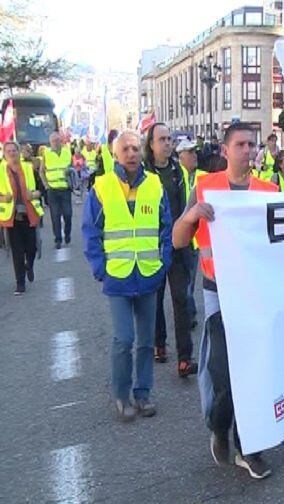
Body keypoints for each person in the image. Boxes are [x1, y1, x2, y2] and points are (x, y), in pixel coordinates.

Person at [172, 123, 277, 479]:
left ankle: (250, 448)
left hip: (258, 293)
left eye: (252, 144)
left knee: (256, 369)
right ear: (225, 149)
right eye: (241, 144)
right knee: (225, 371)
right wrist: (191, 216)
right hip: (218, 292)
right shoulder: (206, 188)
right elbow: (177, 240)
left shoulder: (269, 191)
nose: (248, 150)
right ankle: (219, 426)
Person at [82, 130, 172, 421]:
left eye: (135, 148)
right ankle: (121, 396)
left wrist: (164, 263)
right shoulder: (102, 187)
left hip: (148, 274)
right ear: (115, 154)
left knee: (146, 341)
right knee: (124, 339)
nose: (132, 154)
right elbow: (91, 232)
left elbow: (165, 228)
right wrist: (100, 268)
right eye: (126, 149)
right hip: (118, 276)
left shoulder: (155, 185)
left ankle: (143, 394)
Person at [143, 123, 198, 377]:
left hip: (177, 246)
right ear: (151, 144)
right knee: (154, 300)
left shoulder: (177, 170)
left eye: (169, 139)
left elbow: (187, 205)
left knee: (181, 300)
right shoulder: (143, 172)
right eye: (162, 139)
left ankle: (185, 358)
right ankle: (159, 344)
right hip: (152, 246)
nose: (167, 143)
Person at [0, 141, 44, 295]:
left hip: (29, 214)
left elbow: (41, 190)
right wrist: (2, 198)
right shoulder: (0, 171)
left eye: (14, 150)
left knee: (31, 249)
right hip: (12, 218)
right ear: (5, 155)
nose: (12, 153)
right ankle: (20, 283)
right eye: (9, 151)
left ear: (18, 152)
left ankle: (29, 266)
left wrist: (35, 194)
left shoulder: (27, 168)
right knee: (17, 252)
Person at [177, 140, 208, 326]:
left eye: (195, 151)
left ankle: (189, 310)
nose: (194, 155)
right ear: (180, 156)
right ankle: (187, 310)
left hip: (196, 239)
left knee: (190, 277)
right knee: (183, 278)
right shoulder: (175, 176)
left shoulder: (203, 177)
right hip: (179, 235)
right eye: (189, 152)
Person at [40, 131, 73, 250]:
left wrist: (70, 171)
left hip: (65, 189)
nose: (55, 143)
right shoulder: (46, 153)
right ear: (50, 142)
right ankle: (58, 239)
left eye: (57, 140)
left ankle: (67, 234)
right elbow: (42, 171)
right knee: (55, 216)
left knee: (68, 214)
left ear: (60, 141)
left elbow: (73, 166)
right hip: (52, 190)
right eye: (53, 141)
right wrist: (46, 186)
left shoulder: (67, 151)